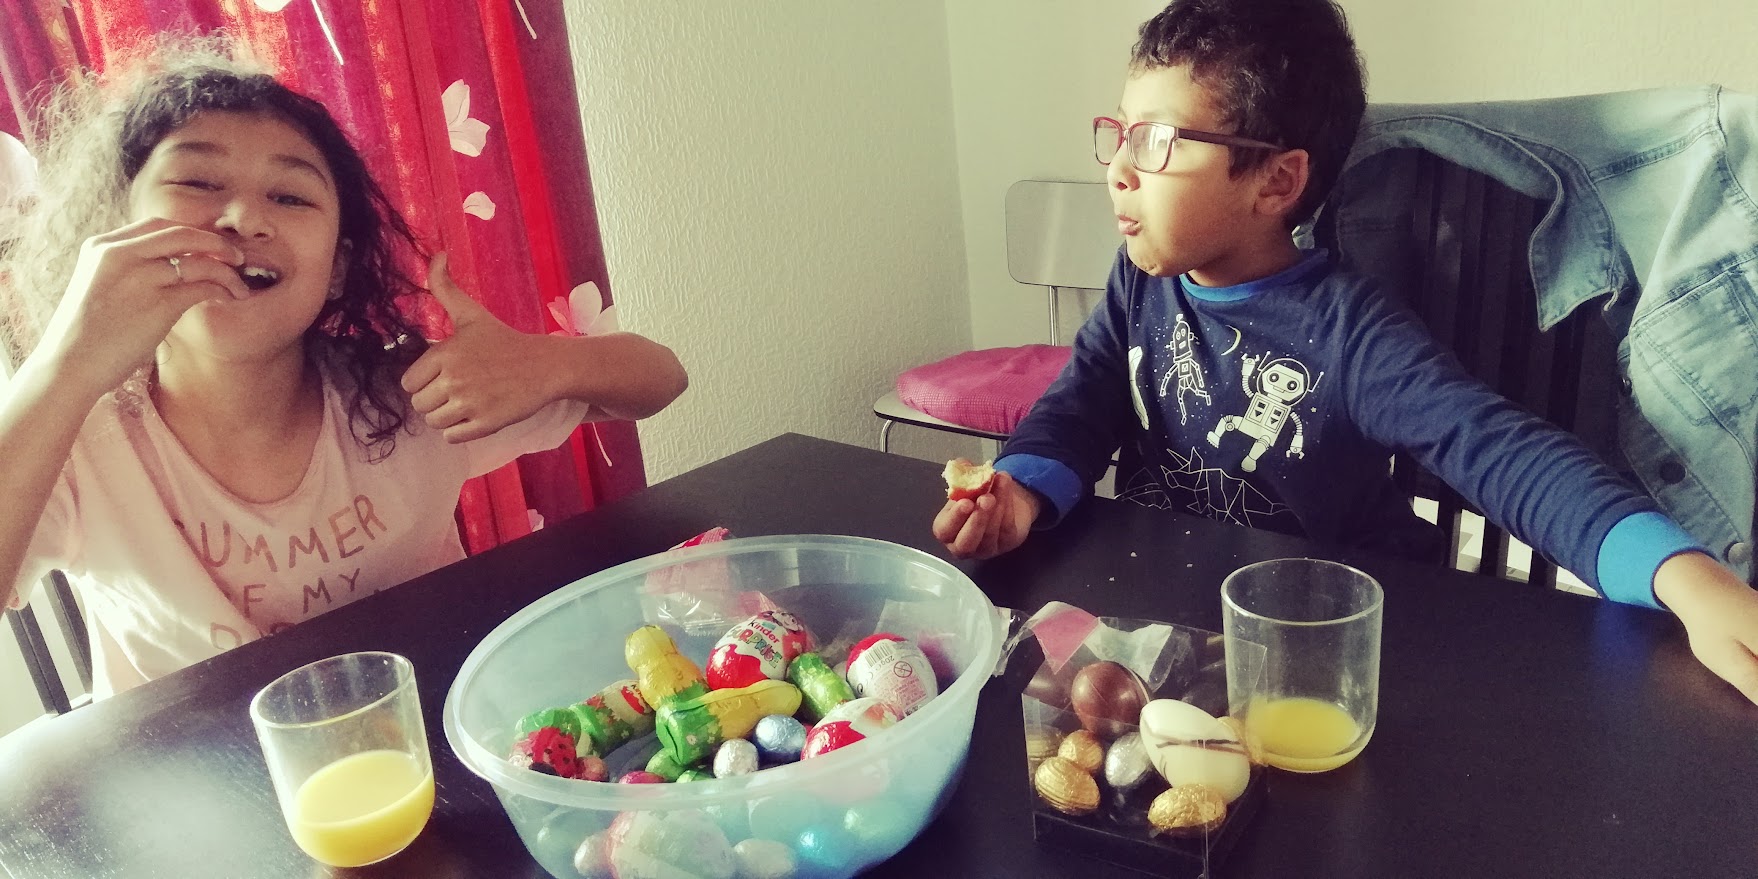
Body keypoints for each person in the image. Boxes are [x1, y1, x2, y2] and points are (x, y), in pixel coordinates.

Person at [932, 0, 1758, 704]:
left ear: (1276, 182)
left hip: (1315, 652)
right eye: (1120, 132)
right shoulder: (1141, 281)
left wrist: (1685, 578)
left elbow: (1502, 451)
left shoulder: (1350, 333)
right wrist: (1022, 492)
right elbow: (1081, 402)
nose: (1119, 169)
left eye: (1157, 141)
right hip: (1168, 619)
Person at [0, 44, 687, 697]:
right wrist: (66, 364)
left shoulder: (412, 395)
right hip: (192, 770)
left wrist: (545, 363)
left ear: (337, 269)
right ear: (112, 230)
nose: (243, 217)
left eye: (290, 197)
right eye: (198, 182)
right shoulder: (71, 437)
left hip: (423, 734)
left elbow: (662, 378)